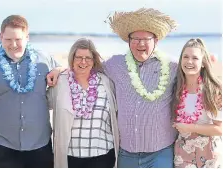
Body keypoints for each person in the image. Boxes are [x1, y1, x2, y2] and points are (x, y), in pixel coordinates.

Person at [47, 8, 179, 168]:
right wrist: (60, 69)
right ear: (128, 41)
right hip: (126, 153)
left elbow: (193, 80)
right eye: (135, 38)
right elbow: (86, 67)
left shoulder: (172, 68)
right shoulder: (115, 65)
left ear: (156, 40)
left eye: (146, 39)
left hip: (160, 151)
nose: (140, 43)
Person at [0, 15, 57, 168]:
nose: (13, 45)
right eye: (8, 39)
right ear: (1, 37)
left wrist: (59, 70)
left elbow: (65, 76)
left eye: (18, 39)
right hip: (1, 143)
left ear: (27, 37)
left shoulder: (44, 60)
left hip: (40, 143)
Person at [47, 38, 119, 168]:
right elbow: (41, 105)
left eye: (88, 58)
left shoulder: (106, 82)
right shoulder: (60, 82)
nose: (83, 62)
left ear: (94, 60)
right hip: (71, 157)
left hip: (103, 155)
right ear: (72, 59)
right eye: (78, 57)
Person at [172, 38, 222, 168]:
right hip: (183, 153)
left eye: (195, 58)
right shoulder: (175, 88)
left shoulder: (213, 90)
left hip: (209, 154)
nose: (189, 61)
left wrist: (190, 128)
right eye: (185, 57)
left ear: (203, 63)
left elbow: (220, 129)